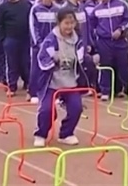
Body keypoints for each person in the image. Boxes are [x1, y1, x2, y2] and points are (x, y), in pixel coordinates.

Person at [32, 8, 87, 147]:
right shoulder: (50, 40)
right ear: (59, 23)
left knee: (76, 108)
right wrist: (53, 63)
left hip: (70, 82)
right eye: (66, 23)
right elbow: (42, 58)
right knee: (47, 110)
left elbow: (81, 61)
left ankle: (66, 134)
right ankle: (40, 134)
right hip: (52, 82)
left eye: (72, 23)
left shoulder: (78, 40)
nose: (69, 26)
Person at [89, 0, 128, 101]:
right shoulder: (97, 9)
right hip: (104, 42)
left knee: (123, 66)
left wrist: (120, 29)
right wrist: (98, 35)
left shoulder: (122, 5)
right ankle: (105, 91)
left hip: (120, 41)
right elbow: (92, 25)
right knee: (105, 66)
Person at [0, 0, 33, 96]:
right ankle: (11, 87)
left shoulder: (27, 4)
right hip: (10, 39)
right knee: (11, 64)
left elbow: (31, 21)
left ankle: (29, 84)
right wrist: (3, 39)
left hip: (25, 39)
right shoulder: (3, 7)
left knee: (26, 63)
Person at [28, 0, 60, 103]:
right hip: (39, 46)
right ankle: (34, 93)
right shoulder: (35, 9)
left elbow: (59, 27)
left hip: (53, 46)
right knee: (36, 69)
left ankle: (53, 94)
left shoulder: (57, 10)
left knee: (53, 70)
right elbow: (33, 27)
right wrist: (39, 43)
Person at [63, 0, 97, 89]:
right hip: (71, 46)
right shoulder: (65, 9)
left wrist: (89, 43)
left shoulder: (82, 8)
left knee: (88, 64)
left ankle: (87, 87)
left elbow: (87, 27)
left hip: (83, 45)